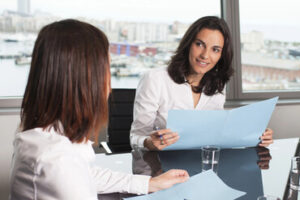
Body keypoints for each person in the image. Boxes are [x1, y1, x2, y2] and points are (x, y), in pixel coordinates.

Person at [9, 19, 189, 200]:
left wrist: (150, 184)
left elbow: (86, 175)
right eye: (105, 71)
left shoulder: (46, 135)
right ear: (83, 80)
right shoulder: (58, 159)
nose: (108, 86)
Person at [130, 16, 273, 151]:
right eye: (199, 44)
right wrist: (149, 142)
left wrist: (255, 137)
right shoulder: (155, 79)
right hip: (162, 166)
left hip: (203, 165)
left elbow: (219, 135)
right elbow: (136, 137)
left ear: (221, 55)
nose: (205, 55)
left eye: (215, 50)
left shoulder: (218, 87)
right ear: (188, 45)